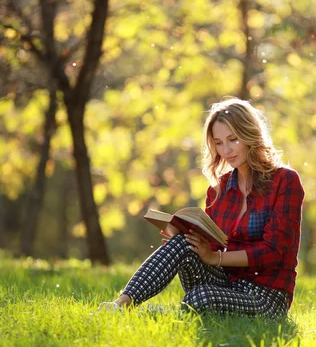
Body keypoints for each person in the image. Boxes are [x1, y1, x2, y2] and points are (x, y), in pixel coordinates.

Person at [99, 98, 304, 316]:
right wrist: (189, 237)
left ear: (250, 135)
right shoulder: (219, 190)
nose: (226, 150)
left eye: (233, 139)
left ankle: (163, 314)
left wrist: (216, 258)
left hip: (266, 295)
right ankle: (120, 305)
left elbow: (274, 251)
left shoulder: (285, 181)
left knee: (200, 297)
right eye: (218, 142)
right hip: (225, 280)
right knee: (184, 244)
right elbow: (212, 246)